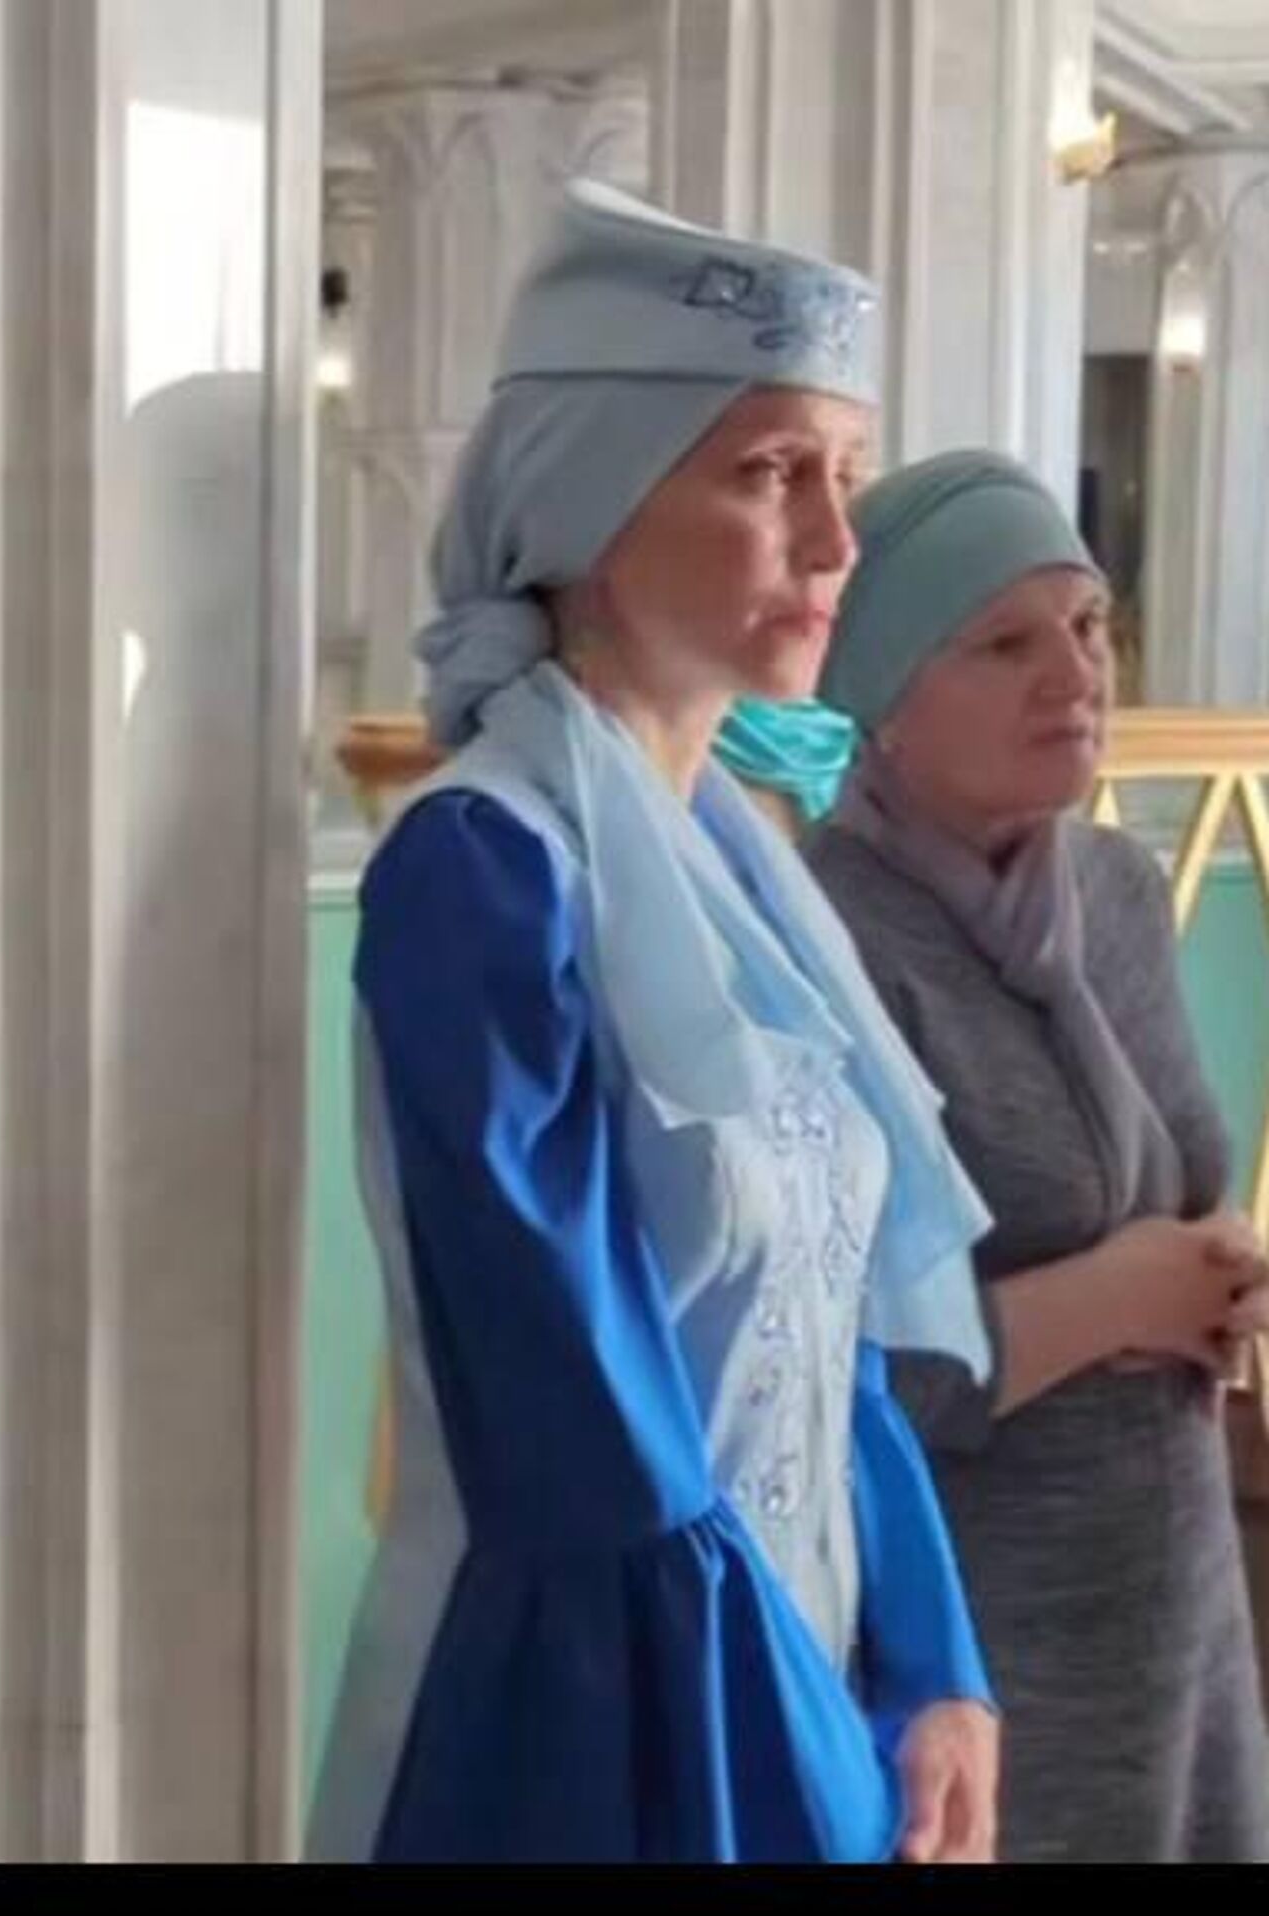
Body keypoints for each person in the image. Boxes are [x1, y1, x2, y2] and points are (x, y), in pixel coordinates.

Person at [307, 181, 1000, 1864]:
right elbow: (591, 1448)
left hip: (798, 1691)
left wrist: (936, 1671)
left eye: (846, 474)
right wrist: (822, 1777)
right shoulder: (486, 871)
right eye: (770, 474)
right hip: (607, 1729)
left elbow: (822, 1335)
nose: (836, 540)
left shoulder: (744, 875)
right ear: (587, 498)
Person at [807, 448, 1269, 1862]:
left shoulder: (1115, 887)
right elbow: (829, 1373)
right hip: (975, 1628)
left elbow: (1168, 1193)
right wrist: (1120, 1298)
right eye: (1005, 645)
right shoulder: (829, 934)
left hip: (1174, 1589)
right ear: (883, 697)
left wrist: (1221, 1279)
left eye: (1087, 626)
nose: (1075, 675)